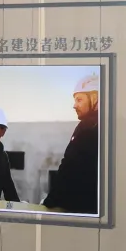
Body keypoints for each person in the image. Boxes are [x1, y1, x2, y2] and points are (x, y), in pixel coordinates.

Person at [43, 72, 99, 214]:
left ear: (95, 98)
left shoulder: (87, 127)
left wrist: (51, 199)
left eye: (79, 100)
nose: (74, 105)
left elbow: (69, 166)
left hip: (80, 208)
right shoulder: (108, 125)